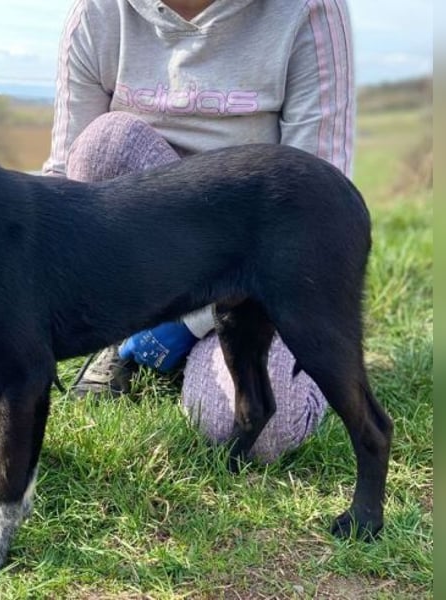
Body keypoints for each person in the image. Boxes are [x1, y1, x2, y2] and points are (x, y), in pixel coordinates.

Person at [43, 0, 355, 462]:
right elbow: (63, 182)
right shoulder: (98, 11)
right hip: (141, 247)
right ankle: (130, 335)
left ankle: (292, 359)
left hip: (253, 260)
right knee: (106, 144)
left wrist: (185, 322)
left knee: (261, 432)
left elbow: (311, 204)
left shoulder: (309, 10)